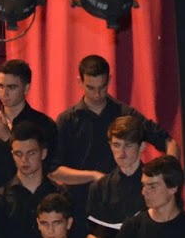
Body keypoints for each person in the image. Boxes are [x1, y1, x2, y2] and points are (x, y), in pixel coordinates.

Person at [52, 55, 178, 203]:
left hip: (124, 200)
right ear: (80, 82)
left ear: (109, 80)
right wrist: (93, 176)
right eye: (91, 88)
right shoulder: (67, 120)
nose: (97, 94)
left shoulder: (125, 113)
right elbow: (54, 171)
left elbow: (169, 142)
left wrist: (168, 178)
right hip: (80, 202)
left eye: (102, 87)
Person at [0, 59, 59, 191]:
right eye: (0, 86)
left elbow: (49, 169)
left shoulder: (44, 124)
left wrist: (8, 139)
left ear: (26, 88)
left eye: (11, 87)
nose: (4, 93)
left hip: (32, 197)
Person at [0, 122, 68, 238]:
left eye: (31, 153)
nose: (24, 160)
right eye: (18, 154)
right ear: (12, 154)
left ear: (43, 153)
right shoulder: (0, 198)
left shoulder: (60, 194)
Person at [83, 116, 147, 238]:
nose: (122, 152)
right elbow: (91, 233)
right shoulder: (99, 187)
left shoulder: (156, 184)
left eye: (128, 145)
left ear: (142, 146)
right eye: (116, 145)